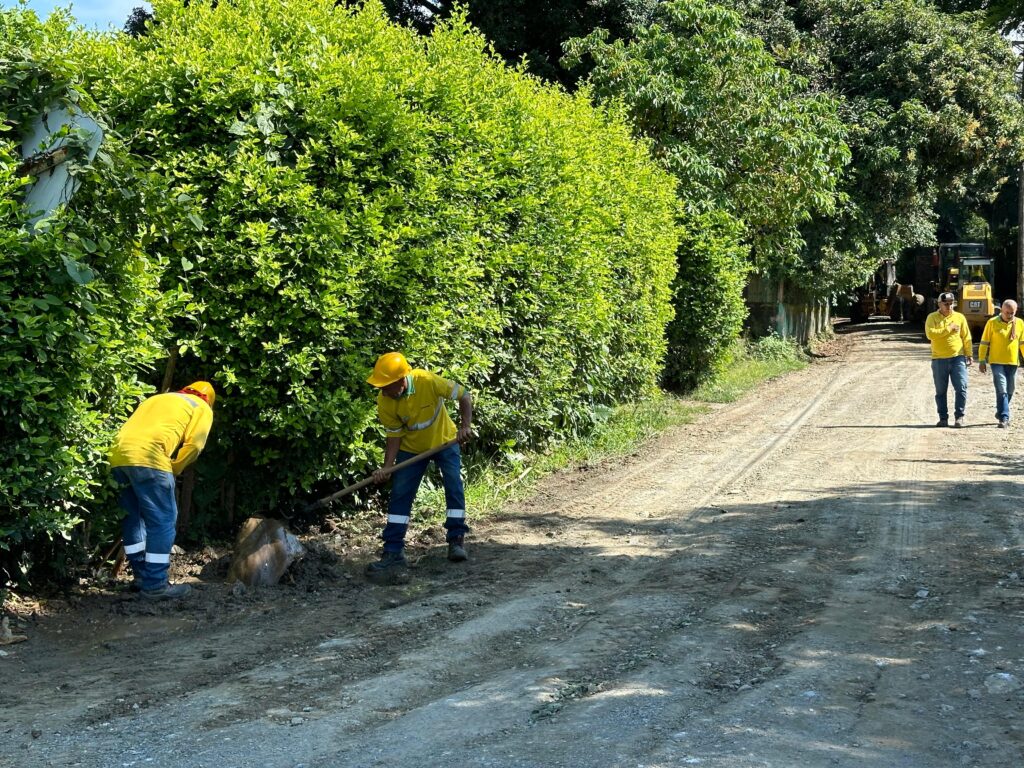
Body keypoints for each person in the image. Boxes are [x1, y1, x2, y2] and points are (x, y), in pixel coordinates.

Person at [366, 352, 473, 576]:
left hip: (445, 441)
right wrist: (387, 467)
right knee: (400, 494)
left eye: (386, 385)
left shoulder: (427, 381)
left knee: (454, 485)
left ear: (401, 380)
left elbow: (464, 395)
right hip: (411, 449)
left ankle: (456, 540)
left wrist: (465, 426)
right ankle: (393, 551)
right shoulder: (385, 400)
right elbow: (393, 436)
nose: (383, 391)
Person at [109, 381, 216, 600]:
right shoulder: (201, 406)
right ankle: (156, 584)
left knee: (133, 517)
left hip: (117, 457)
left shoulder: (157, 398)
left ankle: (141, 577)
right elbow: (195, 445)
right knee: (163, 520)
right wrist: (174, 468)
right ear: (210, 400)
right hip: (149, 458)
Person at [925, 292, 972, 427]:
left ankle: (959, 417)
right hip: (939, 359)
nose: (949, 306)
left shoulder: (959, 317)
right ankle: (943, 418)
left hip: (958, 358)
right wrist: (948, 329)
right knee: (941, 391)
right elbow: (930, 334)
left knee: (961, 388)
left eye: (951, 303)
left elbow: (966, 337)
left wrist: (969, 354)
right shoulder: (932, 318)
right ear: (939, 304)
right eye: (946, 303)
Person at [978, 299, 1023, 428]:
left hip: (1013, 362)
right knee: (1002, 389)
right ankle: (1004, 418)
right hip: (996, 362)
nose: (1009, 315)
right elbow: (984, 342)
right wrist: (982, 360)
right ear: (1001, 310)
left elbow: (1022, 343)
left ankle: (1001, 410)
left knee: (1010, 389)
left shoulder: (1020, 323)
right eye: (1007, 312)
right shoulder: (992, 323)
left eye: (1012, 313)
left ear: (1016, 311)